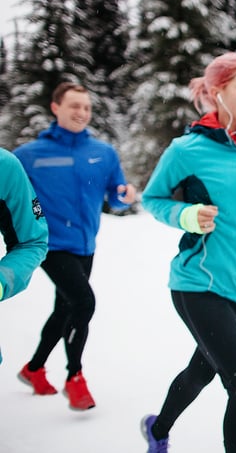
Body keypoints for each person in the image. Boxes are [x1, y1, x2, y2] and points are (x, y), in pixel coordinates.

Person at [139, 52, 236, 453]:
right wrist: (186, 215)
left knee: (202, 371)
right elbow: (153, 198)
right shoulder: (186, 150)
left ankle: (157, 429)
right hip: (196, 283)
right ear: (216, 92)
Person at [13, 82, 136, 410]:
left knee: (65, 308)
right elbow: (10, 199)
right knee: (83, 303)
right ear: (56, 108)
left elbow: (115, 195)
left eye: (86, 107)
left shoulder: (102, 152)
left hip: (85, 244)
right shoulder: (27, 156)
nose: (81, 113)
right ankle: (75, 376)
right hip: (50, 245)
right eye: (74, 106)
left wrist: (124, 197)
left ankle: (34, 368)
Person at [0, 149, 49, 364]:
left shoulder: (4, 166)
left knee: (81, 304)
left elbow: (31, 241)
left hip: (79, 247)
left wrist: (2, 282)